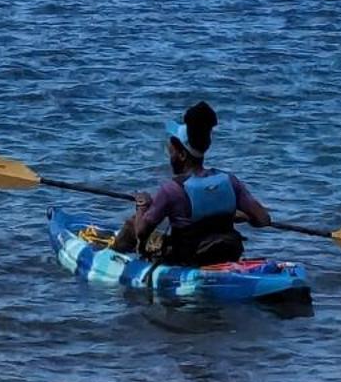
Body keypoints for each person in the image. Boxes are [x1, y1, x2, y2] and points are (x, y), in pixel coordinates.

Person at [112, 102, 271, 266]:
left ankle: (110, 261)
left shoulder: (171, 189)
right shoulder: (229, 181)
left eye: (171, 151)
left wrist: (142, 205)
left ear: (181, 155)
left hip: (188, 258)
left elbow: (141, 232)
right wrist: (239, 215)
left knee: (133, 224)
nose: (169, 155)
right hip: (225, 253)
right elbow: (263, 219)